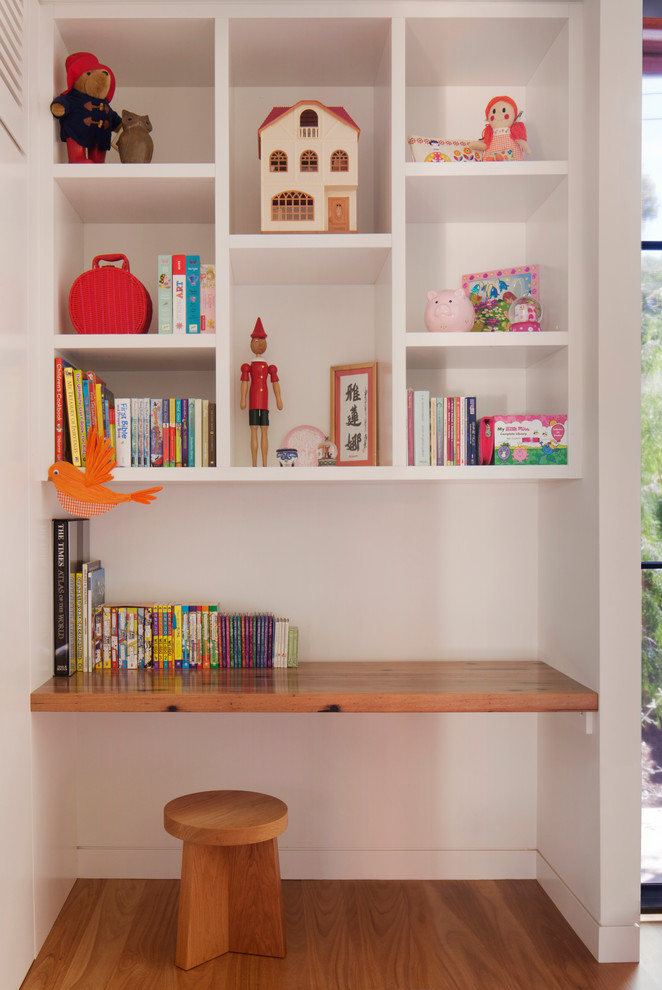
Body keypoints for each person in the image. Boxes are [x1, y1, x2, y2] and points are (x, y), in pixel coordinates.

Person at [240, 318, 283, 466]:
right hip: (253, 401)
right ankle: (254, 464)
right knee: (253, 430)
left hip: (264, 402)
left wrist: (279, 400)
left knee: (264, 430)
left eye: (263, 340)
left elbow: (275, 383)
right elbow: (245, 383)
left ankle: (264, 463)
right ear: (251, 343)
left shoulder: (269, 367)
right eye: (257, 340)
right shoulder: (248, 366)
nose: (260, 343)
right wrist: (243, 399)